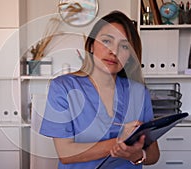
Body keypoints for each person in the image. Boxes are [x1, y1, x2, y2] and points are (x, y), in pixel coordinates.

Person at [39, 10, 160, 169]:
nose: (114, 51)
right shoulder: (63, 87)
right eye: (106, 41)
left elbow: (154, 155)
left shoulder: (139, 92)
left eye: (124, 46)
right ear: (91, 46)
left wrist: (137, 155)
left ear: (130, 56)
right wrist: (119, 142)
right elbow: (65, 153)